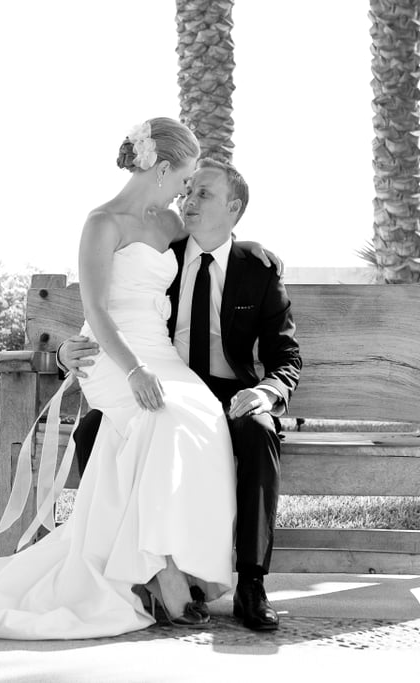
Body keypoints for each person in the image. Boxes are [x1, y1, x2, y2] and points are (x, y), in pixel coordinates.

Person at [0, 117, 266, 639]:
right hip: (112, 356)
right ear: (164, 167)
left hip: (160, 355)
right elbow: (98, 312)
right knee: (159, 420)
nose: (186, 191)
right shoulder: (102, 223)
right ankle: (159, 571)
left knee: (203, 416)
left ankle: (183, 564)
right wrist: (112, 365)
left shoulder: (171, 225)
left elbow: (216, 242)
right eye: (185, 179)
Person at [62, 156, 301, 631]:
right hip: (156, 378)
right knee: (94, 431)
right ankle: (141, 567)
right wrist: (72, 346)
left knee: (256, 432)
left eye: (204, 195)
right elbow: (118, 301)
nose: (189, 201)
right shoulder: (161, 245)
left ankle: (251, 582)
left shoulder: (259, 268)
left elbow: (287, 357)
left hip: (230, 392)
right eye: (188, 191)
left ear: (234, 208)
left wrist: (267, 391)